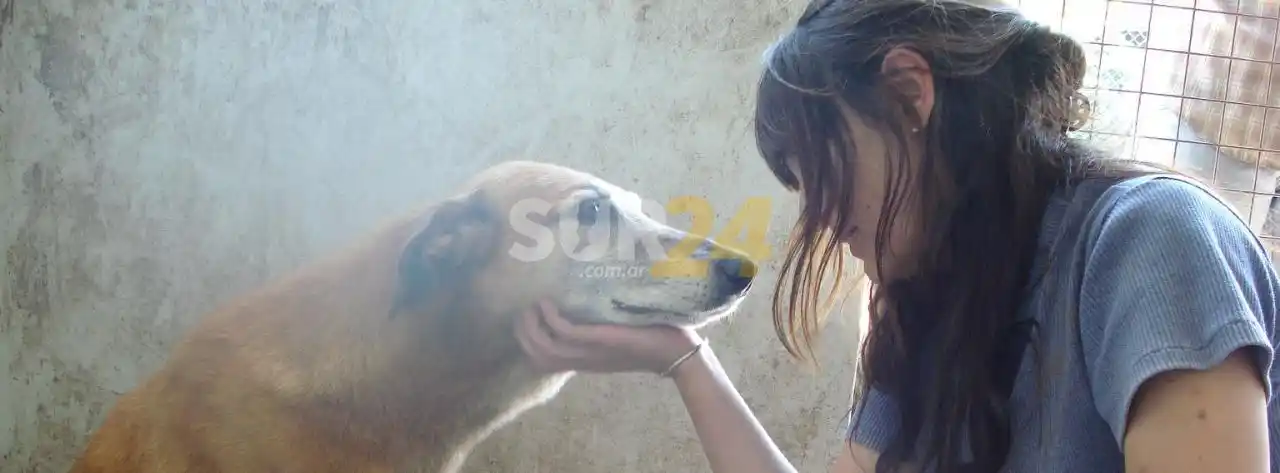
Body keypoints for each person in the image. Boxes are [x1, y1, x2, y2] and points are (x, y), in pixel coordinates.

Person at [513, 0, 1280, 471]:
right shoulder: (936, 304)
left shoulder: (1150, 240)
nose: (818, 211)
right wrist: (682, 358)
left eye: (815, 166)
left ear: (910, 91)